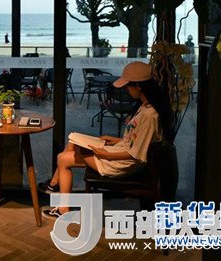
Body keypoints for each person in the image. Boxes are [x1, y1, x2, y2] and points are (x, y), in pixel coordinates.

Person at [38, 61, 170, 218]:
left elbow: (137, 153)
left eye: (128, 86)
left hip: (121, 163)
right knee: (73, 140)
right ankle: (54, 185)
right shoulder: (145, 107)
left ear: (138, 86)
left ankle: (62, 208)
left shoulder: (149, 115)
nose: (126, 90)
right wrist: (114, 140)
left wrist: (106, 154)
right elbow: (135, 141)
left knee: (63, 159)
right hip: (119, 153)